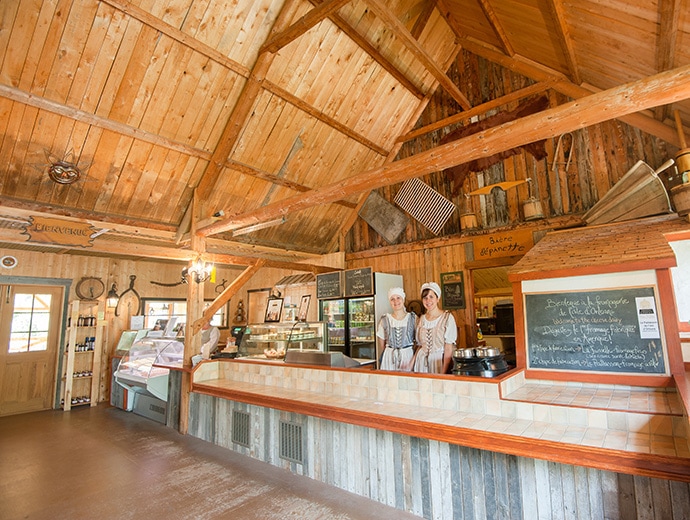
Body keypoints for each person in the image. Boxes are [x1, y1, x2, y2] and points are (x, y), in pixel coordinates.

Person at [412, 282, 457, 374]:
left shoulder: (447, 318)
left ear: (437, 298)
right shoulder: (421, 319)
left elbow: (448, 347)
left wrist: (443, 372)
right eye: (425, 298)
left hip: (438, 362)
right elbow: (420, 345)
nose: (428, 301)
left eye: (431, 297)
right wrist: (411, 364)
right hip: (421, 363)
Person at [376, 287, 416, 371]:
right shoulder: (384, 319)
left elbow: (419, 342)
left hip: (408, 357)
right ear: (389, 302)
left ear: (403, 299)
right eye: (392, 299)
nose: (396, 301)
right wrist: (390, 352)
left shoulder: (413, 318)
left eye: (398, 298)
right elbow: (382, 345)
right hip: (389, 357)